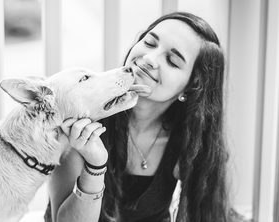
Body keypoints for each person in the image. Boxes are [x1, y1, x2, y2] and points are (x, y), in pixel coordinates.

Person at [44, 11, 231, 222]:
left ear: (189, 89)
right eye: (150, 43)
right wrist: (95, 165)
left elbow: (205, 213)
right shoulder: (82, 116)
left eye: (172, 61)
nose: (149, 59)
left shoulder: (190, 140)